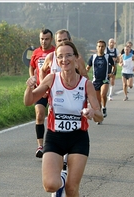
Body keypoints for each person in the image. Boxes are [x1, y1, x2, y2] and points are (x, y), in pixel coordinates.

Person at [24, 41, 103, 197]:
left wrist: (92, 112)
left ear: (76, 59)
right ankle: (60, 182)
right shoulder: (52, 79)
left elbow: (100, 115)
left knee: (72, 188)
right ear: (56, 60)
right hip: (55, 136)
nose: (64, 59)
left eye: (69, 55)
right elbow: (29, 100)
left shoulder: (86, 84)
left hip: (78, 138)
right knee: (50, 185)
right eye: (60, 56)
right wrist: (29, 87)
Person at [39, 29, 89, 170]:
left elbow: (85, 78)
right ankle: (58, 160)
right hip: (56, 100)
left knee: (72, 132)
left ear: (70, 40)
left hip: (73, 100)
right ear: (56, 42)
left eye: (64, 39)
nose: (62, 42)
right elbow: (42, 70)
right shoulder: (51, 57)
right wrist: (45, 87)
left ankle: (68, 158)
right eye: (59, 40)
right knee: (56, 129)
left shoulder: (76, 59)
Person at [29, 29, 55, 158]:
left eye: (46, 39)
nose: (44, 41)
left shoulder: (56, 53)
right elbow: (32, 66)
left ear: (51, 40)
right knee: (39, 114)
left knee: (53, 116)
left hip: (54, 90)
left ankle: (53, 144)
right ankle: (40, 145)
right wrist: (33, 79)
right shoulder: (36, 52)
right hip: (40, 88)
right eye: (41, 39)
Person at [86, 39, 115, 124]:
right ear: (96, 47)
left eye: (102, 47)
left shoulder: (107, 57)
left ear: (105, 47)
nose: (100, 48)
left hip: (105, 79)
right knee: (97, 102)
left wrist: (112, 73)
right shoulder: (93, 57)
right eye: (99, 46)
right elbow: (87, 68)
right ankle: (100, 117)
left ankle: (104, 107)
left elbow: (114, 66)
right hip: (95, 81)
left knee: (103, 94)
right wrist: (83, 75)